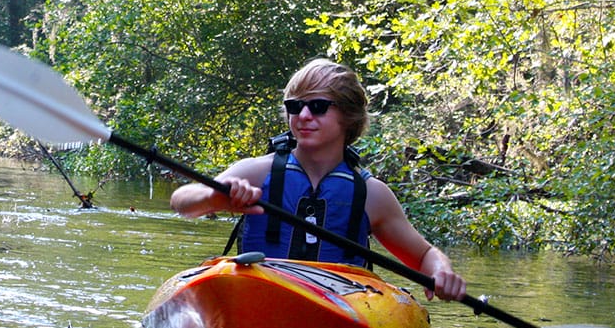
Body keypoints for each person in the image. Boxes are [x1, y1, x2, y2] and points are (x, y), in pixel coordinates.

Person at [169, 57, 467, 301]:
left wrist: (441, 272)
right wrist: (214, 197)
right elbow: (182, 202)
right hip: (258, 294)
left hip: (339, 304)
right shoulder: (257, 172)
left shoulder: (371, 194)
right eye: (294, 106)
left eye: (319, 106)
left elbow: (425, 255)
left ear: (348, 116)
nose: (304, 115)